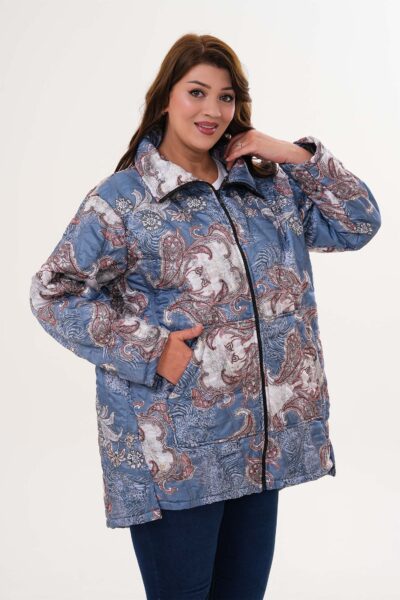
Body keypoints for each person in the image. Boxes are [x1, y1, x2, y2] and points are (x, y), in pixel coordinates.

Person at [29, 33, 381, 599]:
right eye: (197, 92)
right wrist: (151, 350)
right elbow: (53, 292)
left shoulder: (265, 189)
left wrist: (293, 153)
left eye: (226, 96)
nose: (212, 109)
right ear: (166, 98)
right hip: (175, 452)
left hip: (259, 447)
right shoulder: (123, 200)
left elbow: (358, 223)